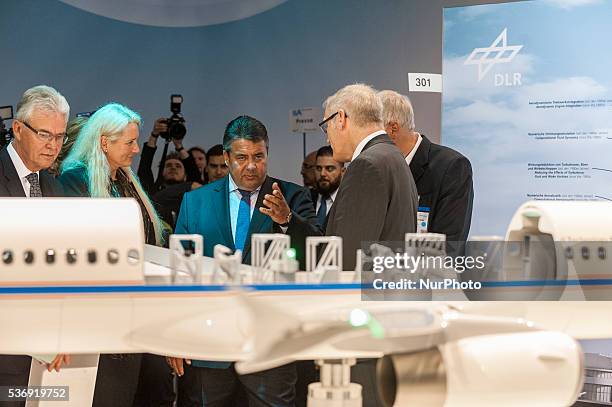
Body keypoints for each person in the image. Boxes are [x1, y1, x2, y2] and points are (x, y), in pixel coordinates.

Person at [170, 115, 321, 407]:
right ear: (226, 157)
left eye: (258, 156)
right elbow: (181, 271)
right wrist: (176, 336)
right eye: (241, 157)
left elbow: (318, 253)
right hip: (208, 346)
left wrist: (287, 220)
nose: (251, 165)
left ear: (267, 154)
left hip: (270, 347)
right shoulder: (196, 201)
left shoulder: (291, 196)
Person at [59, 103, 172, 407]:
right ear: (104, 141)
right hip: (101, 321)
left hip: (138, 316)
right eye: (130, 142)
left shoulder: (125, 181)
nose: (136, 149)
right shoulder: (75, 180)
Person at [320, 84, 418, 407]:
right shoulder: (395, 159)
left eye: (327, 126)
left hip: (361, 338)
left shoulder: (367, 165)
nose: (327, 138)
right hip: (387, 327)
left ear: (342, 118)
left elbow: (347, 262)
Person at [0, 85, 70, 406]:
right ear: (17, 128)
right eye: (45, 134)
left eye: (60, 137)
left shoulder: (51, 185)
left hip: (41, 352)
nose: (53, 145)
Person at [379, 90, 473, 245]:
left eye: (373, 132)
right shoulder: (379, 171)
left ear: (393, 129)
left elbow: (449, 246)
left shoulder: (452, 167)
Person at [137, 117, 202, 196]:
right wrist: (154, 135)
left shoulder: (191, 192)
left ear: (185, 174)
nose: (173, 168)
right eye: (168, 165)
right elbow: (144, 168)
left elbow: (194, 173)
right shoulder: (152, 191)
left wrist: (179, 145)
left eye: (178, 166)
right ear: (161, 172)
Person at [311, 145, 344, 233]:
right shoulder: (304, 197)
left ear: (343, 172)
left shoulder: (350, 202)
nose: (322, 173)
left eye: (329, 168)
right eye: (318, 168)